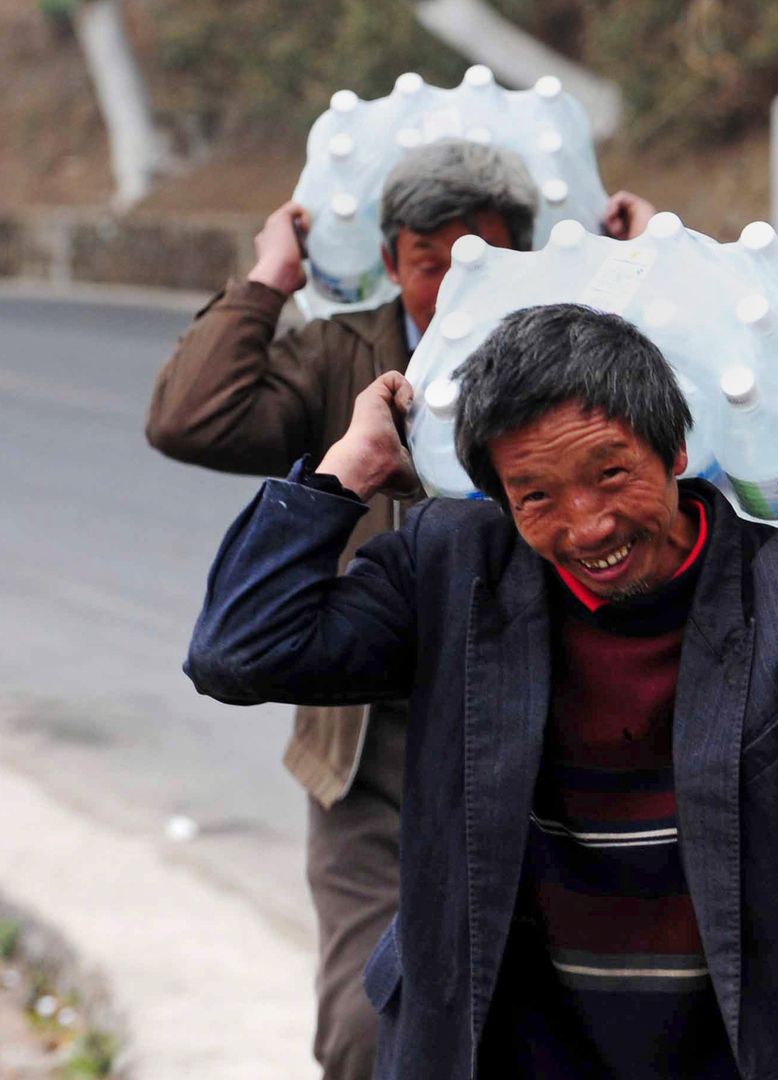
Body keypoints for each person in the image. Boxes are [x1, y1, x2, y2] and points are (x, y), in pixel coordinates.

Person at [181, 303, 778, 1077]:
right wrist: (346, 470)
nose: (588, 526)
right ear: (497, 500)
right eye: (536, 497)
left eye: (611, 473)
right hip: (511, 1042)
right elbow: (239, 652)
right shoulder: (453, 571)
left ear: (678, 450)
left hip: (740, 1045)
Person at [145, 140, 656, 1079]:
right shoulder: (347, 353)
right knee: (362, 1029)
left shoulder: (573, 347)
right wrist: (271, 279)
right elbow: (192, 418)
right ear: (391, 262)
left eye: (482, 257)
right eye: (430, 263)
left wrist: (648, 269)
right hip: (370, 752)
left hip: (540, 735)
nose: (453, 282)